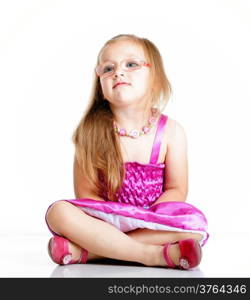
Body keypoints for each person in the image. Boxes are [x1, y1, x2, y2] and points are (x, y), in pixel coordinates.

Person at [45, 34, 209, 269]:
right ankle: (150, 255)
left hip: (151, 219)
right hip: (106, 220)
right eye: (108, 68)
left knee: (195, 228)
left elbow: (177, 188)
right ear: (100, 84)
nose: (118, 72)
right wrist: (113, 223)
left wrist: (148, 218)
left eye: (131, 64)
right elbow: (86, 194)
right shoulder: (90, 132)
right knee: (58, 212)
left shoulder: (172, 131)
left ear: (155, 77)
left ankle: (89, 252)